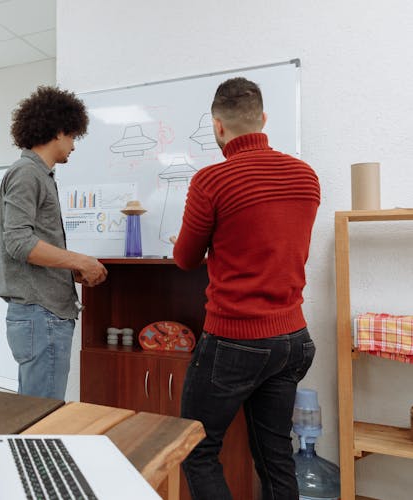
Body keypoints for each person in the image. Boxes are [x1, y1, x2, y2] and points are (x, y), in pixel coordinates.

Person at [171, 77, 320, 500]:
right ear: (263, 120)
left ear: (218, 127)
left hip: (236, 339)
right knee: (276, 458)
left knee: (197, 449)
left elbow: (184, 258)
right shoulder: (305, 176)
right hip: (293, 338)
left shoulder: (211, 181)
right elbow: (275, 242)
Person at [0, 86, 108, 400]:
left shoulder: (39, 175)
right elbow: (19, 242)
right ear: (59, 131)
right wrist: (79, 261)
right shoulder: (26, 174)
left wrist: (68, 270)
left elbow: (31, 245)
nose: (73, 146)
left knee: (34, 410)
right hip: (40, 313)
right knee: (41, 415)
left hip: (43, 313)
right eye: (73, 137)